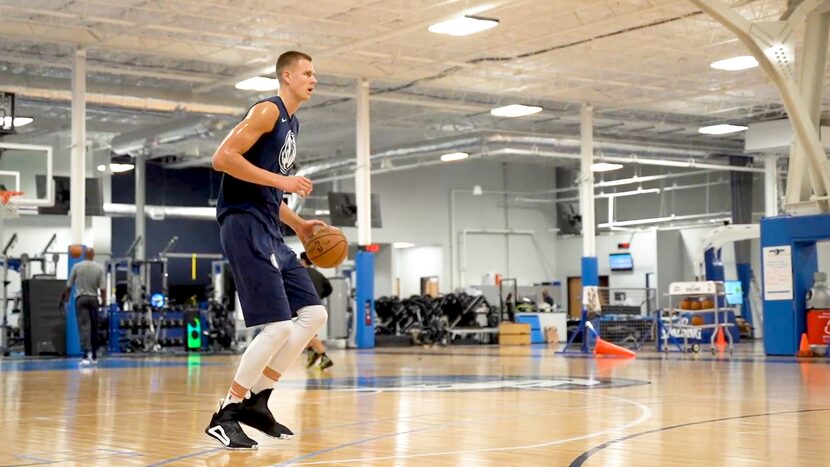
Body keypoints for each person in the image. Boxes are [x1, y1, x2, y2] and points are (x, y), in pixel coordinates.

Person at [206, 50, 327, 450]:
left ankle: (258, 400)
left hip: (270, 227)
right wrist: (283, 180)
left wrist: (301, 225)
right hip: (242, 224)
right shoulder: (267, 111)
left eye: (314, 74)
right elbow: (223, 158)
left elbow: (268, 191)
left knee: (313, 313)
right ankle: (226, 412)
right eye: (307, 73)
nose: (313, 79)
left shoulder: (293, 124)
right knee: (277, 326)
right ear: (287, 76)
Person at [62, 248, 106, 366]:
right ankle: (95, 356)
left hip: (80, 299)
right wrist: (104, 303)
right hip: (93, 299)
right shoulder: (99, 268)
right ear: (93, 255)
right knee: (94, 327)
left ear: (84, 255)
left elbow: (69, 285)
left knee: (84, 327)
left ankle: (85, 355)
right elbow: (102, 288)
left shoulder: (76, 266)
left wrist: (66, 300)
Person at [299, 252, 333, 370]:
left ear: (302, 260)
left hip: (305, 307)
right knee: (309, 334)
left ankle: (324, 356)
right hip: (318, 307)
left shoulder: (300, 273)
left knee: (308, 334)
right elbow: (329, 289)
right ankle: (311, 353)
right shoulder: (318, 274)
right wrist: (320, 296)